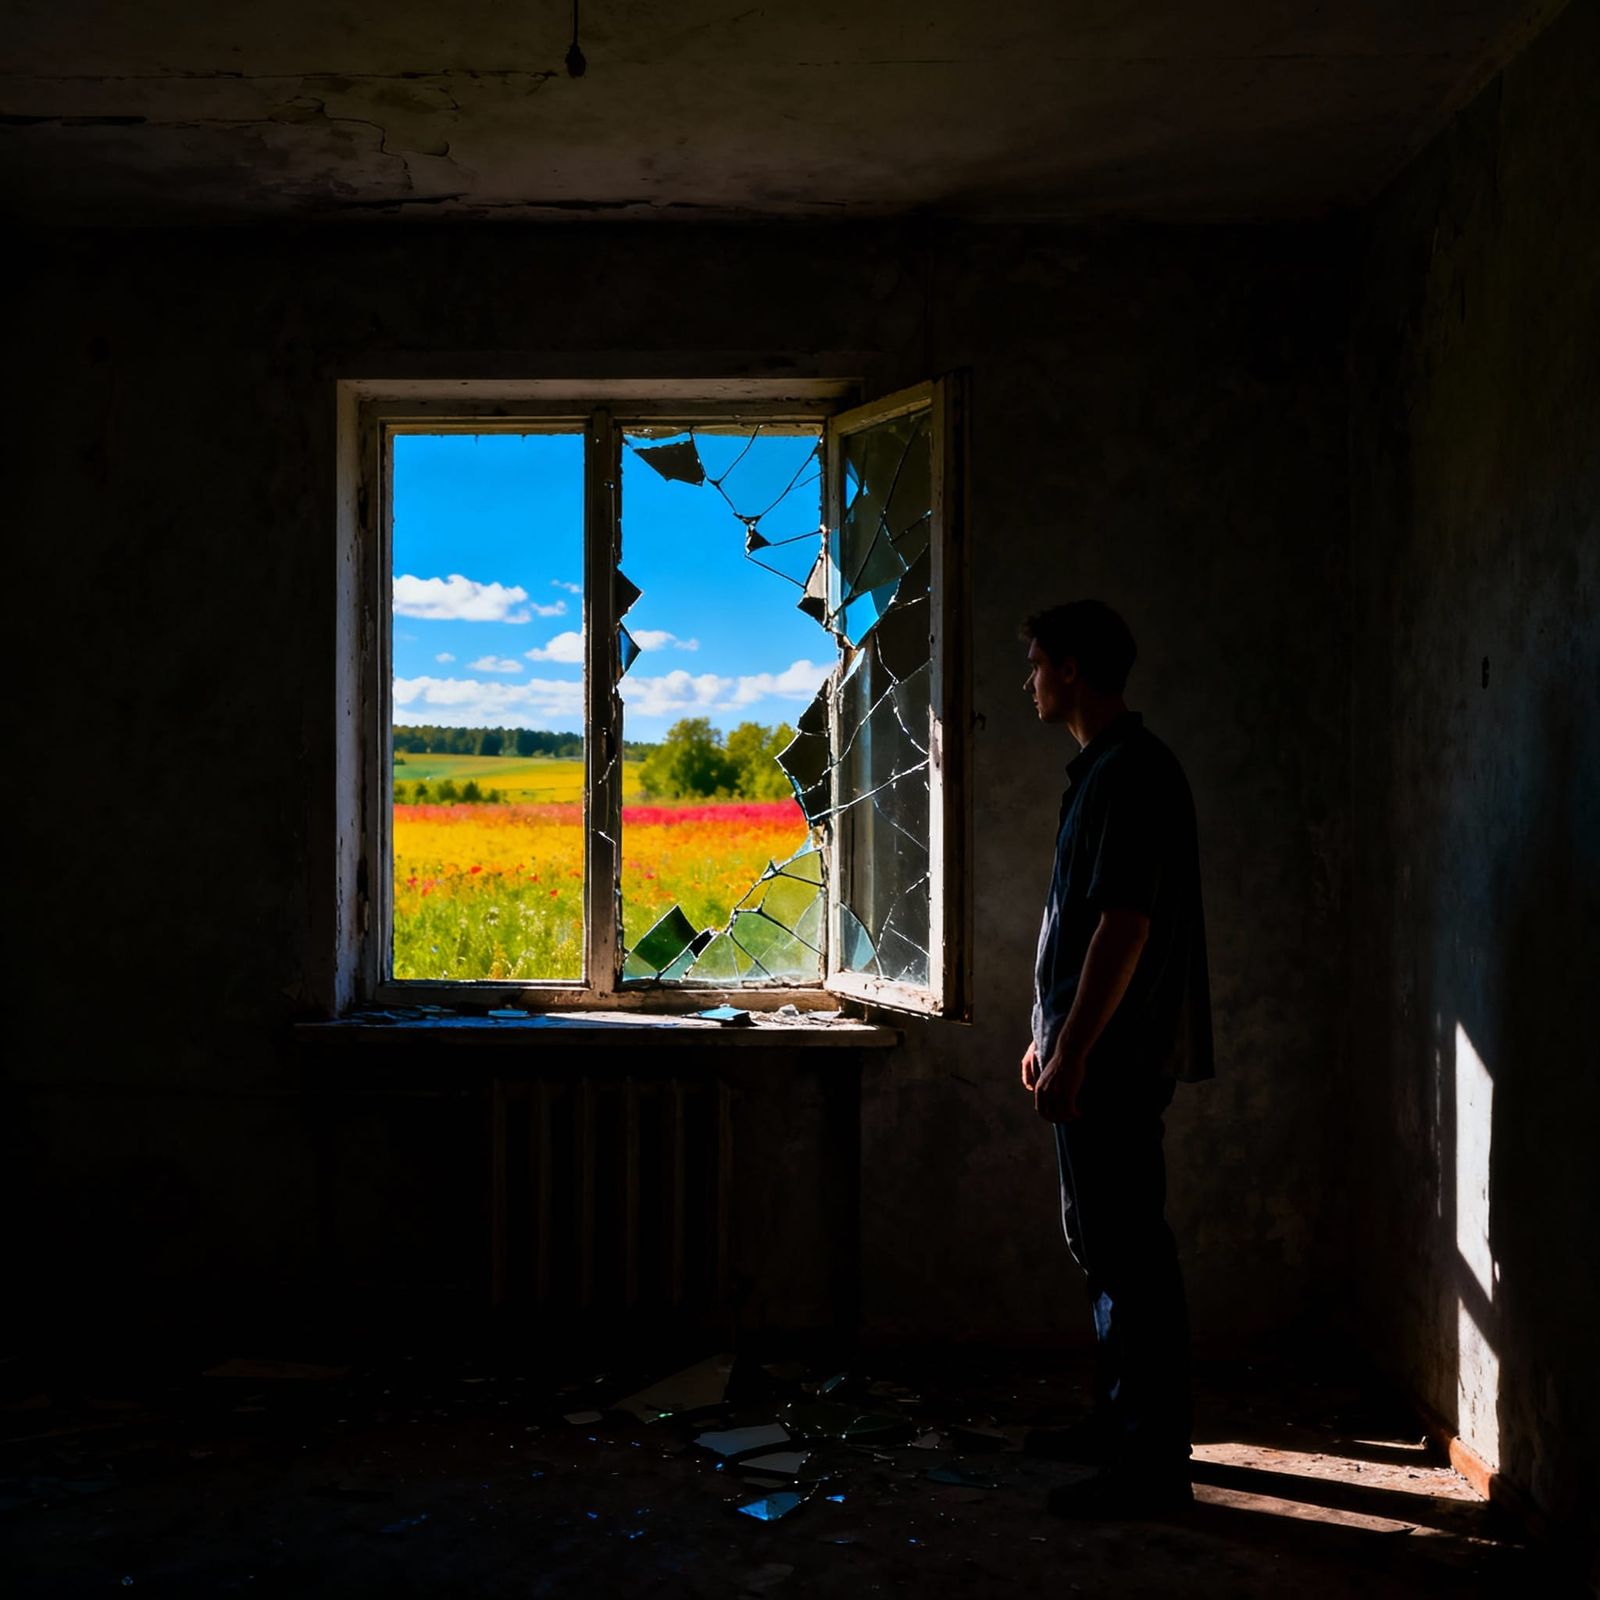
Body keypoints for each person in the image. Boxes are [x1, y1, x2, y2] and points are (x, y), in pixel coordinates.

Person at [1019, 599, 1213, 1518]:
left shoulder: (1131, 775)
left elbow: (1122, 929)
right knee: (1105, 1245)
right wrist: (1045, 1037)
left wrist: (1074, 1053)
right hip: (1096, 1054)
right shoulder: (1105, 772)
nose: (1030, 679)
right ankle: (1119, 1426)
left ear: (1075, 670)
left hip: (1116, 1060)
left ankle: (1151, 1466)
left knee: (1129, 1253)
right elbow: (1076, 927)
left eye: (1038, 662)